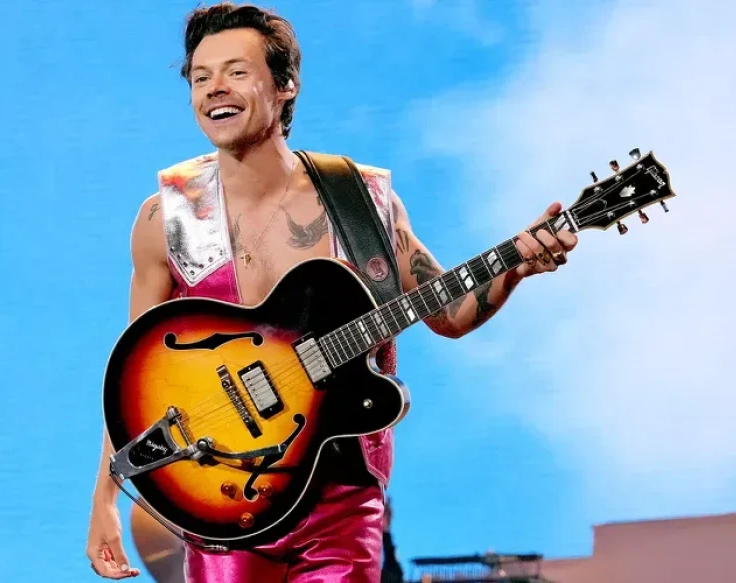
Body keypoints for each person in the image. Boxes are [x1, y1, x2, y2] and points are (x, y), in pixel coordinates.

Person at [85, 2, 578, 581]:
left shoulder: (360, 201)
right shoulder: (165, 217)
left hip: (341, 502)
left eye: (237, 71)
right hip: (223, 499)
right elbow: (131, 379)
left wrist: (517, 265)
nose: (215, 88)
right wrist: (105, 498)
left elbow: (449, 313)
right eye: (200, 76)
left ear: (285, 85)